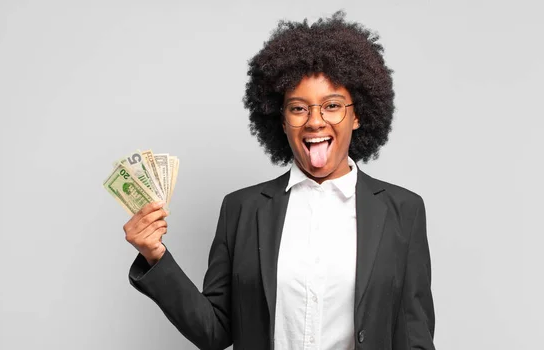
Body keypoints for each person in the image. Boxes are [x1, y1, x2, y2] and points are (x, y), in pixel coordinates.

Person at [123, 11, 435, 350]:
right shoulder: (241, 209)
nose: (315, 121)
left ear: (358, 115)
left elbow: (414, 335)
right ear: (281, 120)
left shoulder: (403, 210)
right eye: (298, 108)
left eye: (332, 105)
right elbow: (212, 331)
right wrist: (155, 256)